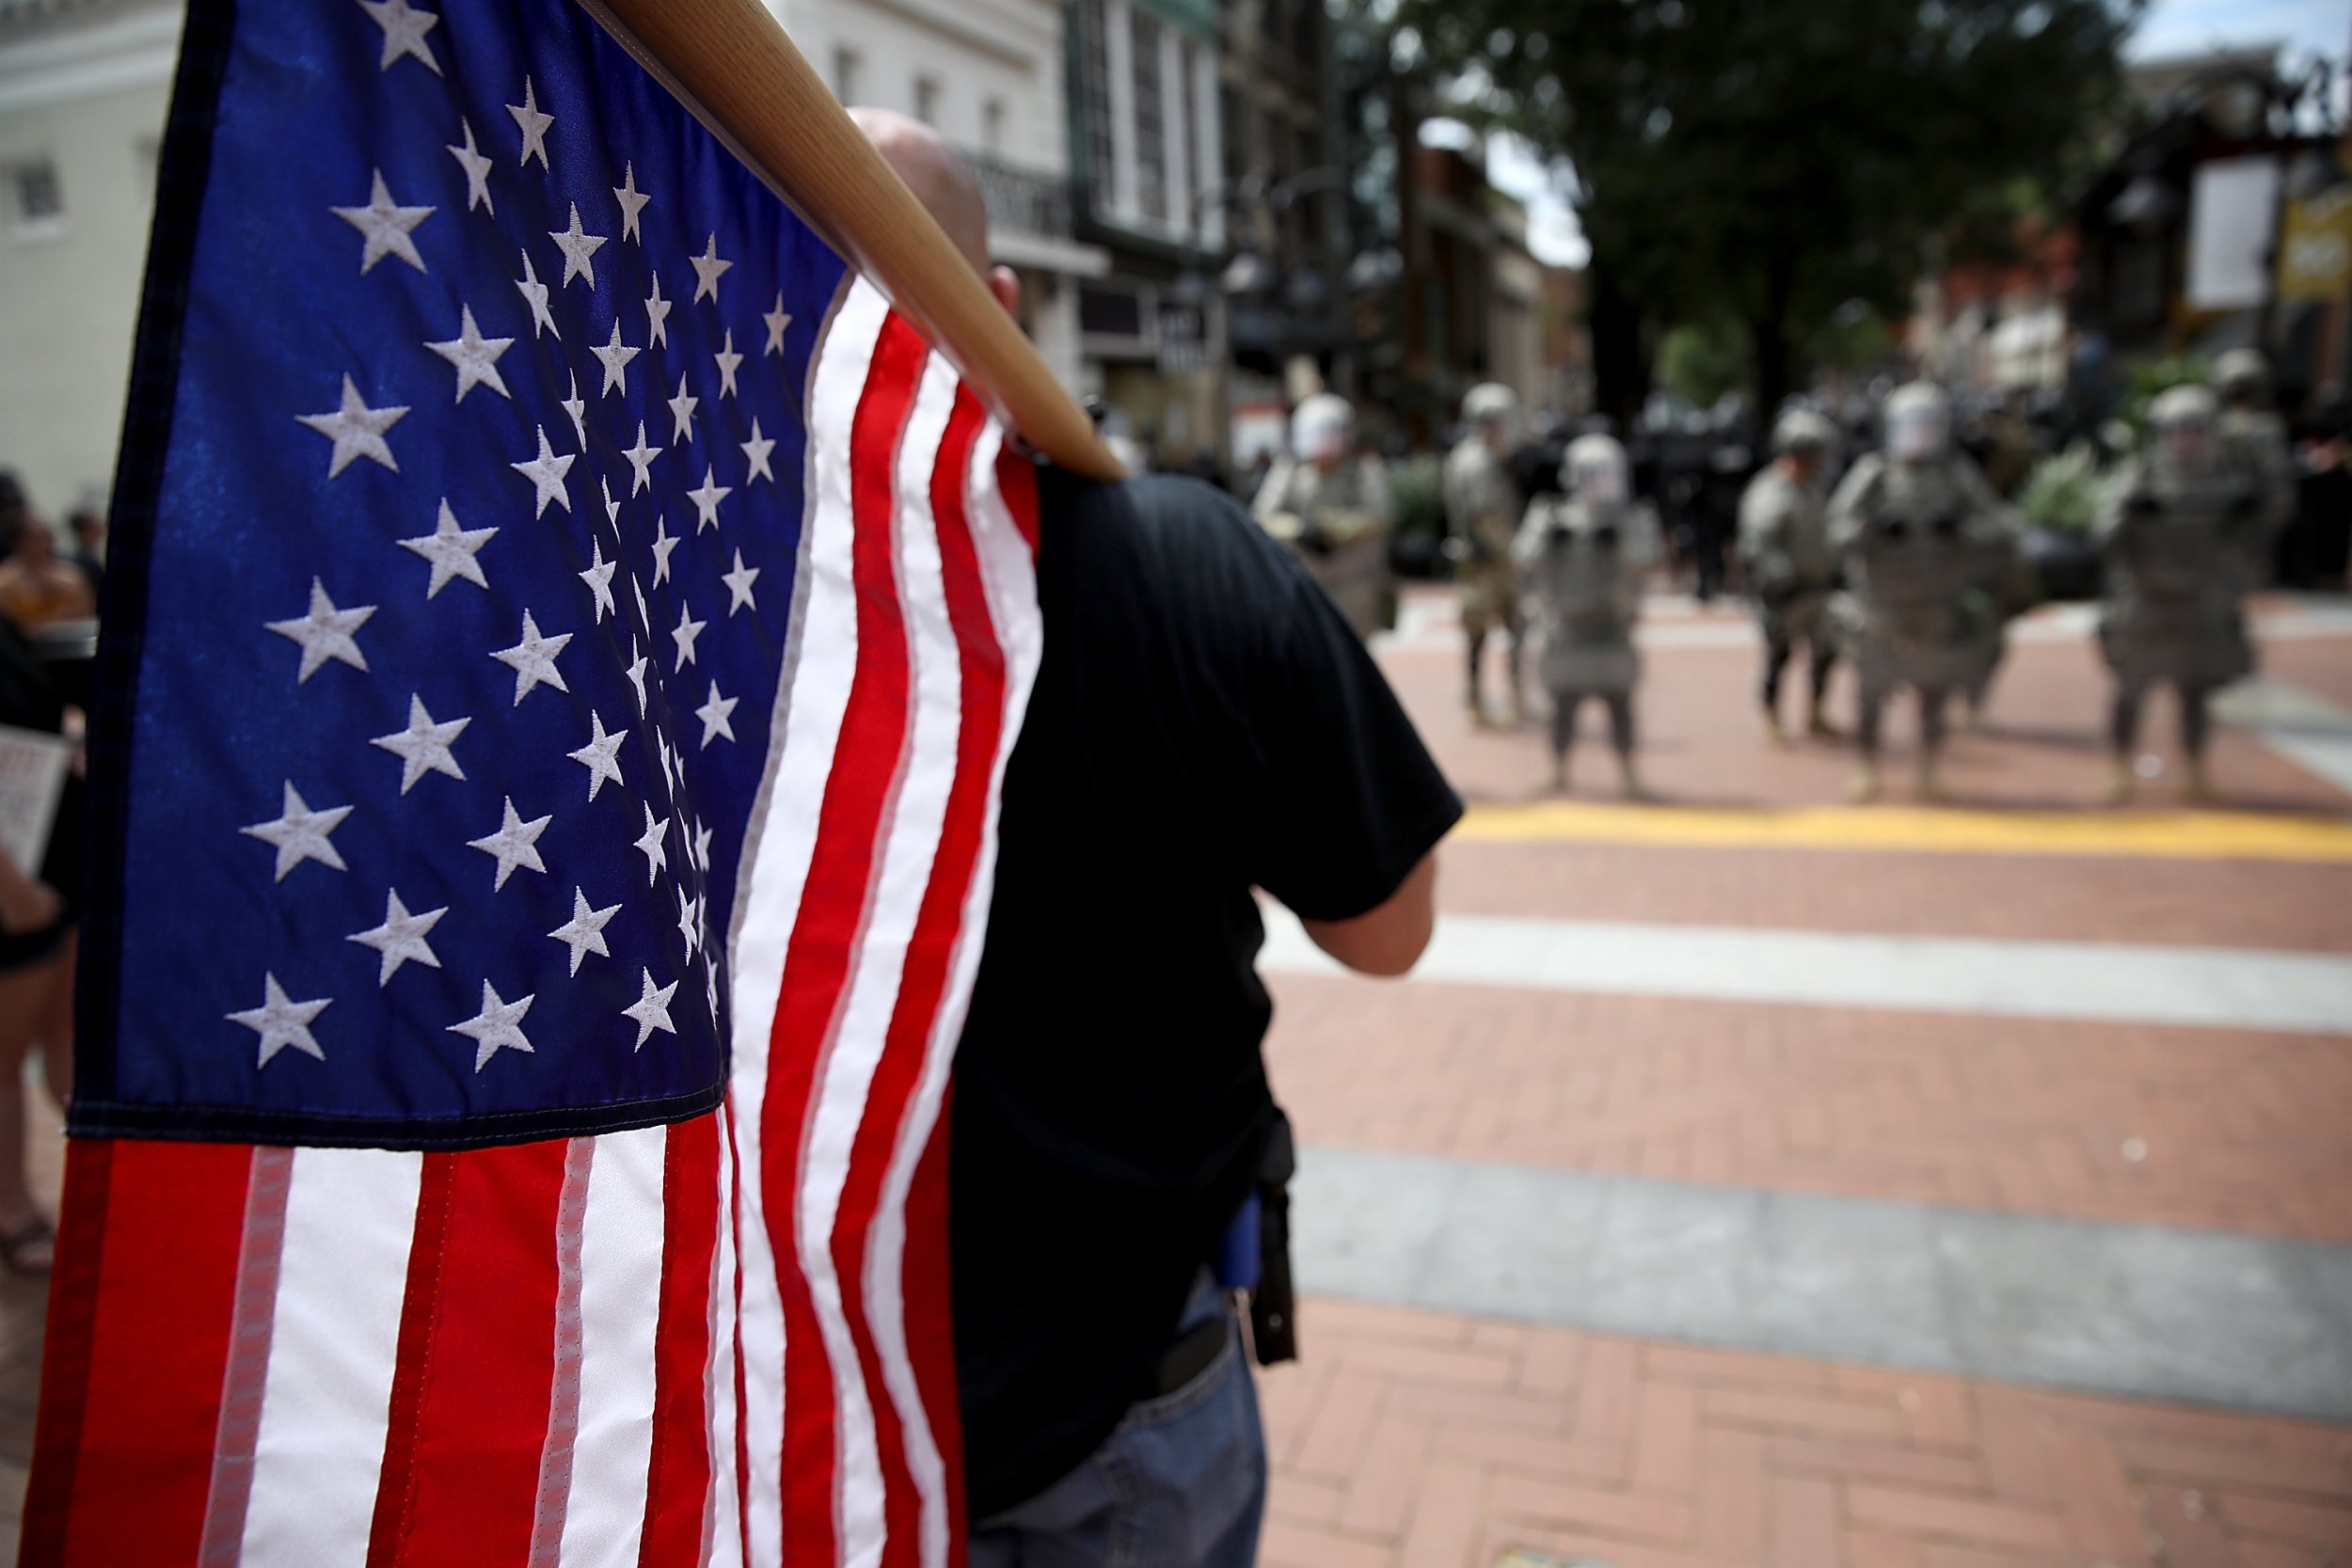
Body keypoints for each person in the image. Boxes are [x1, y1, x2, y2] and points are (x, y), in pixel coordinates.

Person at [851, 109, 1460, 1568]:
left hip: (796, 1402)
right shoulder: (1188, 557)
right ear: (1002, 308)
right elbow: (1389, 928)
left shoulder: (652, 618)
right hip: (1113, 1396)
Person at [1828, 381, 2016, 801]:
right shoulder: (1874, 475)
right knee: (1871, 691)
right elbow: (1837, 529)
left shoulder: (1956, 477)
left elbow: (2000, 527)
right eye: (1911, 423)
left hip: (1936, 606)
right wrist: (1873, 530)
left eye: (1928, 423)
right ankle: (1867, 767)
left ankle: (1928, 768)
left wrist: (1962, 530)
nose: (1920, 432)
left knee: (1933, 692)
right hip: (1882, 606)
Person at [2094, 386, 2265, 805]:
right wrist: (2131, 513)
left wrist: (2247, 512)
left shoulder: (2226, 480)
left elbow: (2257, 536)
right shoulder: (2143, 474)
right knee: (2131, 689)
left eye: (2195, 431)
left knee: (2195, 692)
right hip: (2146, 601)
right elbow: (2104, 529)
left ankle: (2195, 769)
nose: (2185, 440)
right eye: (2177, 431)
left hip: (2201, 603)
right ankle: (2120, 767)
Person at [0, 610, 79, 1274]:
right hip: (15, 884)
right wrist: (14, 891)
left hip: (54, 853)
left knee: (72, 1041)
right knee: (5, 1063)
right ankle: (12, 1208)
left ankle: (103, 1184)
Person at [1517, 434, 1660, 798]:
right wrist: (1551, 537)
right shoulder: (1551, 514)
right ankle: (1558, 771)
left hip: (1612, 625)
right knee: (1562, 705)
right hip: (1567, 626)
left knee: (1620, 704)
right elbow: (1524, 557)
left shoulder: (1630, 518)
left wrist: (1620, 541)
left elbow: (1646, 560)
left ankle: (1629, 775)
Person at [1250, 393, 1395, 639]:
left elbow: (1380, 516)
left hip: (1355, 586)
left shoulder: (1363, 470)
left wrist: (1335, 529)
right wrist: (1300, 530)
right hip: (1304, 582)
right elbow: (1262, 516)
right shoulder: (1290, 471)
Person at [1738, 410, 1842, 744]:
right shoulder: (1771, 493)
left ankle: (1815, 713)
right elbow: (1758, 544)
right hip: (1786, 592)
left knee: (1826, 652)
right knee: (1780, 657)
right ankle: (1773, 719)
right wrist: (1780, 578)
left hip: (1818, 588)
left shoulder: (1814, 489)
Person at [1444, 383, 1528, 726]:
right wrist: (1519, 553)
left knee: (1515, 630)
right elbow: (1484, 518)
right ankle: (1478, 701)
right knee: (1479, 633)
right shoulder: (1474, 461)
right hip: (1484, 563)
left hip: (1500, 560)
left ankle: (1515, 696)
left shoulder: (1497, 457)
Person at [2215, 348, 2295, 558]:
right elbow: (2276, 473)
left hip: (2226, 515)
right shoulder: (2265, 427)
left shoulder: (2214, 424)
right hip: (2245, 516)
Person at [0, 514, 97, 631]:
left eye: (47, 537)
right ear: (18, 541)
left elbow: (85, 615)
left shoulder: (69, 576)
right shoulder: (5, 579)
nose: (44, 543)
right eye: (36, 538)